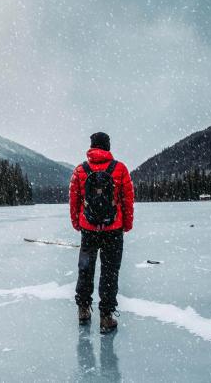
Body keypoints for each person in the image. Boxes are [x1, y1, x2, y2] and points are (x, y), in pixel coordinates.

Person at [69, 132, 134, 334]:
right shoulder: (120, 168)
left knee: (85, 269)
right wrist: (127, 224)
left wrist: (77, 222)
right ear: (107, 146)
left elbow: (74, 199)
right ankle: (106, 317)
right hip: (113, 230)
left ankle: (83, 310)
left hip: (88, 228)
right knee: (110, 272)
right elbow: (127, 199)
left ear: (91, 147)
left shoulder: (81, 170)